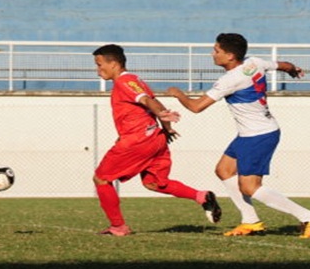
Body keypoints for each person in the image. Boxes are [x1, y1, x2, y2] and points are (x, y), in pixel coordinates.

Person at [166, 33, 310, 238]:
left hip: (259, 135)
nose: (212, 54)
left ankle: (309, 216)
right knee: (224, 170)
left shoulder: (230, 80)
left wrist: (178, 94)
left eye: (217, 50)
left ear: (230, 56)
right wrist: (293, 69)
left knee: (249, 187)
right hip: (250, 133)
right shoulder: (254, 62)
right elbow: (283, 65)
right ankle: (250, 222)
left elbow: (197, 107)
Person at [92, 44, 221, 236]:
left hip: (137, 140)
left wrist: (163, 115)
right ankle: (202, 196)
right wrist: (166, 127)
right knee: (154, 183)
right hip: (155, 137)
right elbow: (151, 101)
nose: (97, 70)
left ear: (114, 63)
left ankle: (118, 226)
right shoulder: (135, 80)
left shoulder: (124, 82)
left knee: (101, 178)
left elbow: (147, 101)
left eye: (99, 64)